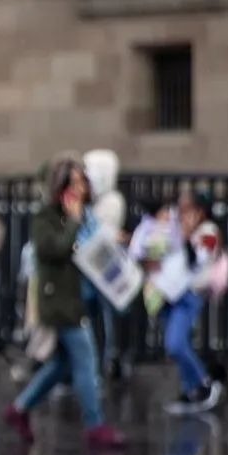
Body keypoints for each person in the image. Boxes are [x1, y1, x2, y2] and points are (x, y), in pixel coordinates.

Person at [3, 155, 125, 449]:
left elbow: (95, 243)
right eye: (75, 182)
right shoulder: (46, 217)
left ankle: (19, 409)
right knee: (85, 360)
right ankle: (95, 426)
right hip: (60, 300)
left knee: (62, 364)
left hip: (82, 296)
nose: (81, 187)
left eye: (83, 180)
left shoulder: (85, 214)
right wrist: (71, 222)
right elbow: (53, 249)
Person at [160, 189, 228, 414]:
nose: (179, 214)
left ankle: (203, 383)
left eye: (185, 209)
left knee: (176, 343)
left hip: (189, 294)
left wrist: (185, 236)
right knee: (178, 346)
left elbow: (200, 259)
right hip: (171, 293)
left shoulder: (208, 232)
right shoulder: (176, 230)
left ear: (199, 212)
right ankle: (191, 389)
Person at [82, 150, 127, 378]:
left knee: (108, 318)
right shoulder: (88, 204)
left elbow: (104, 234)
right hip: (87, 270)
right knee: (90, 320)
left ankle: (112, 359)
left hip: (104, 269)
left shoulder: (112, 202)